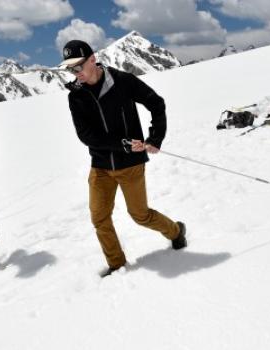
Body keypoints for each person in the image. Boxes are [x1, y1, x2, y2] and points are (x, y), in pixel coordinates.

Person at [59, 40, 187, 277]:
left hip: (131, 165)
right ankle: (117, 264)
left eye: (78, 67)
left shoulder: (122, 81)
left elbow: (156, 103)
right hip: (100, 166)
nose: (76, 74)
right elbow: (86, 135)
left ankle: (176, 231)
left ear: (92, 59)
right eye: (70, 69)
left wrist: (155, 138)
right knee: (99, 218)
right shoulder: (75, 96)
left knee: (140, 215)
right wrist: (122, 144)